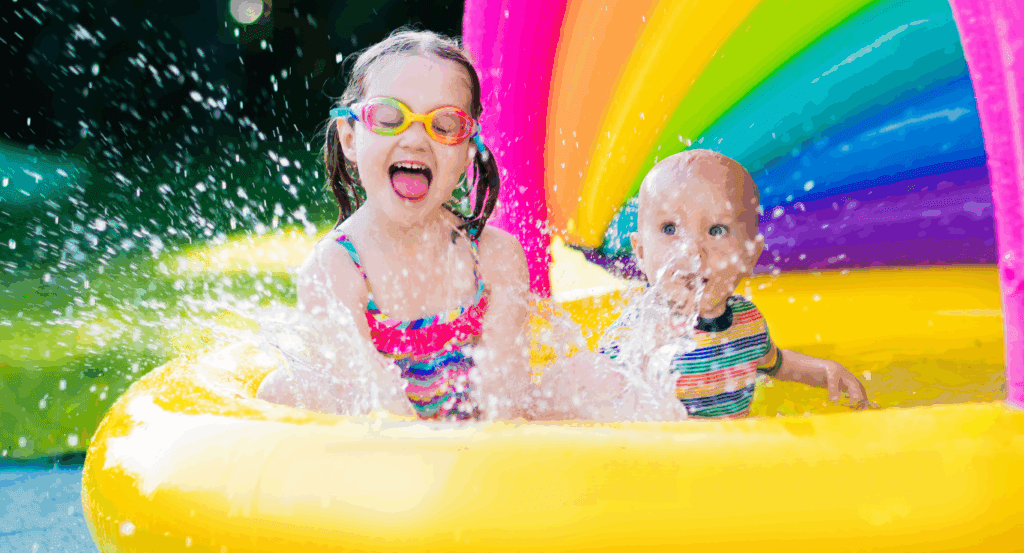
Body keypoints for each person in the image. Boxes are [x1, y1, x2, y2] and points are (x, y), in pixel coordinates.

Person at [257, 30, 533, 420]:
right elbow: (380, 411)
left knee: (589, 378)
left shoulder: (495, 257)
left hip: (475, 447)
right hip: (385, 455)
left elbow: (506, 401)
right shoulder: (334, 269)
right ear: (351, 139)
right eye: (389, 117)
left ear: (468, 151)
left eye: (445, 124)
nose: (417, 140)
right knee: (282, 389)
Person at [596, 149, 869, 418]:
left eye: (716, 230)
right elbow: (596, 400)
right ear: (641, 252)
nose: (692, 250)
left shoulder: (747, 321)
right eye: (670, 229)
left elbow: (777, 364)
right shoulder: (638, 335)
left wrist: (823, 371)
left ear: (749, 254)